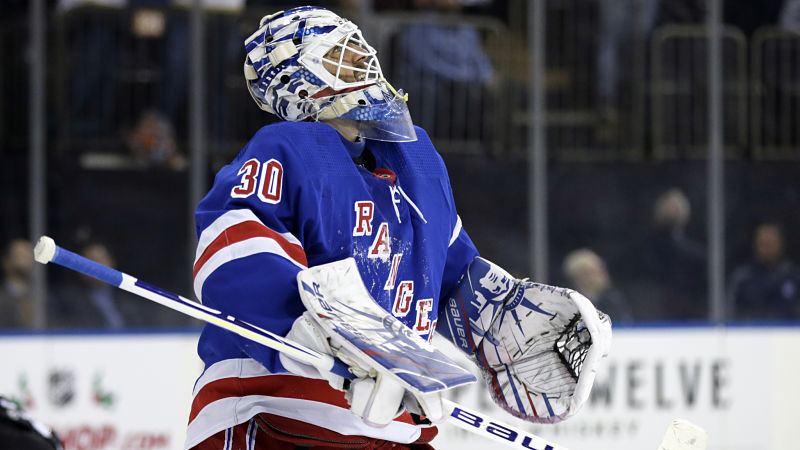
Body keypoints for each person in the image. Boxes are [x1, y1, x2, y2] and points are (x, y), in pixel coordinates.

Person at [185, 7, 610, 450]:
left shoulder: (414, 160)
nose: (362, 59)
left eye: (358, 47)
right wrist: (322, 335)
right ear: (298, 82)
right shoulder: (286, 148)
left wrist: (499, 319)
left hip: (395, 429)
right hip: (276, 414)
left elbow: (449, 274)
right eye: (338, 54)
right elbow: (233, 252)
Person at [728, 223, 800, 320]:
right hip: (750, 328)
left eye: (770, 243)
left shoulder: (794, 277)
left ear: (781, 244)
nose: (766, 248)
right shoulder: (743, 278)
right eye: (763, 243)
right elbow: (728, 314)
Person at [563, 248, 633, 323]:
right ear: (579, 276)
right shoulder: (566, 303)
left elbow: (625, 325)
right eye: (595, 270)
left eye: (602, 268)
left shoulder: (613, 300)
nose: (603, 274)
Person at [0, 239, 35, 329]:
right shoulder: (2, 299)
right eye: (21, 256)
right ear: (7, 262)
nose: (27, 260)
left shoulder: (44, 297)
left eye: (29, 256)